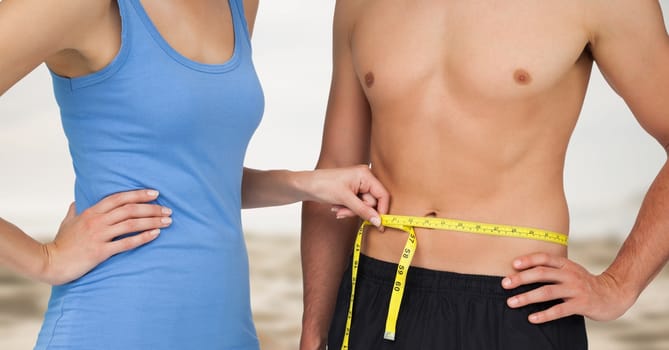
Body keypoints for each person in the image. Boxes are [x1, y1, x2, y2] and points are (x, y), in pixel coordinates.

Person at [0, 0, 389, 349]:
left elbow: (196, 179)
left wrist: (306, 184)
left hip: (227, 330)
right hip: (111, 323)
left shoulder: (238, 6)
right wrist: (45, 260)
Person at [300, 0, 669, 349]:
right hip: (373, 294)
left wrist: (619, 285)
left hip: (516, 303)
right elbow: (335, 168)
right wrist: (313, 333)